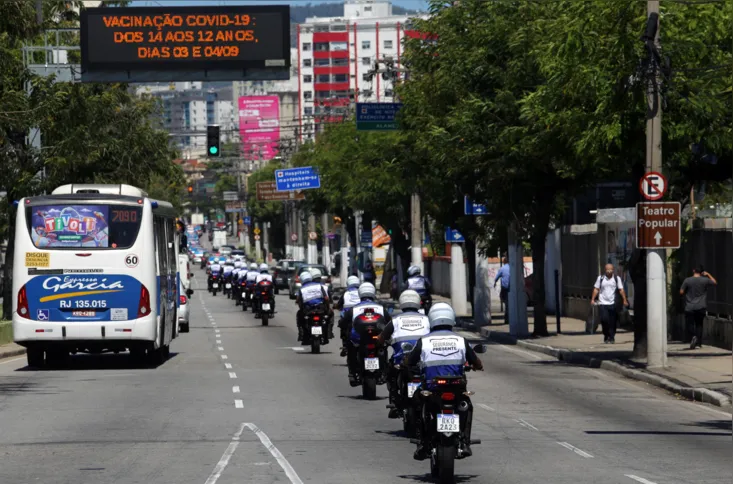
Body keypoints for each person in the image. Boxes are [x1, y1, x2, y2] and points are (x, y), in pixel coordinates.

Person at [407, 302, 483, 460]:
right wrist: (476, 366)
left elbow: (409, 361)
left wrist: (407, 364)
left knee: (416, 402)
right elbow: (476, 361)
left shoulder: (424, 341)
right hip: (456, 387)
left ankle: (422, 442)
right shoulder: (460, 340)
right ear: (451, 319)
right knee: (466, 406)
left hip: (432, 387)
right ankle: (465, 442)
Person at [377, 289, 431, 419]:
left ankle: (395, 401)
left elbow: (381, 338)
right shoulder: (427, 319)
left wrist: (382, 344)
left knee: (390, 374)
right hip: (422, 362)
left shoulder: (395, 320)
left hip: (401, 362)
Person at [343, 282, 392, 386]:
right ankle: (384, 371)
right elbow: (389, 323)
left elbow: (344, 323)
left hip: (359, 339)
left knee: (350, 349)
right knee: (384, 348)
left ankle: (352, 373)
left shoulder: (354, 309)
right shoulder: (381, 308)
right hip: (377, 339)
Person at [680, 265, 717, 349]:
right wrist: (708, 274)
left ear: (693, 270)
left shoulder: (687, 280)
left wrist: (686, 293)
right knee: (699, 325)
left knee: (689, 323)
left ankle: (693, 336)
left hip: (689, 307)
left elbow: (681, 292)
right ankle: (698, 344)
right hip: (701, 307)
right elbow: (715, 282)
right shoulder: (705, 280)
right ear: (702, 272)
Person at [590, 264, 629, 344]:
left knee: (613, 321)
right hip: (602, 303)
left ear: (613, 270)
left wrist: (624, 300)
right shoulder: (600, 278)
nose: (609, 271)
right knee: (604, 320)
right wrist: (593, 299)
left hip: (613, 303)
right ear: (605, 270)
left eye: (610, 269)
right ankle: (606, 335)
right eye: (608, 269)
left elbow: (621, 290)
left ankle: (611, 337)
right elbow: (596, 289)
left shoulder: (616, 278)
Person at [295, 271, 330, 342]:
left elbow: (299, 301)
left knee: (299, 316)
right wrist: (327, 308)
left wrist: (301, 307)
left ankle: (301, 334)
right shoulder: (319, 286)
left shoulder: (302, 289)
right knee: (328, 318)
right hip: (321, 309)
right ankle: (328, 333)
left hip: (308, 310)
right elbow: (326, 298)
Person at [337, 275, 362, 355]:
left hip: (349, 317)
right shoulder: (362, 293)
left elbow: (339, 305)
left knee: (342, 326)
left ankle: (344, 345)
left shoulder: (346, 293)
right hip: (361, 316)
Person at [309, 268, 335, 338]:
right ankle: (329, 332)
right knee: (331, 314)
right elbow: (329, 300)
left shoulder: (307, 287)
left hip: (309, 309)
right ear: (320, 277)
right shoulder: (324, 287)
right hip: (322, 309)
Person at [493, 256, 510, 325]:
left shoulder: (502, 269)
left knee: (506, 304)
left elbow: (496, 277)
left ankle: (507, 319)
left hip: (505, 288)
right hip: (512, 288)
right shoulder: (512, 268)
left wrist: (495, 283)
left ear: (503, 262)